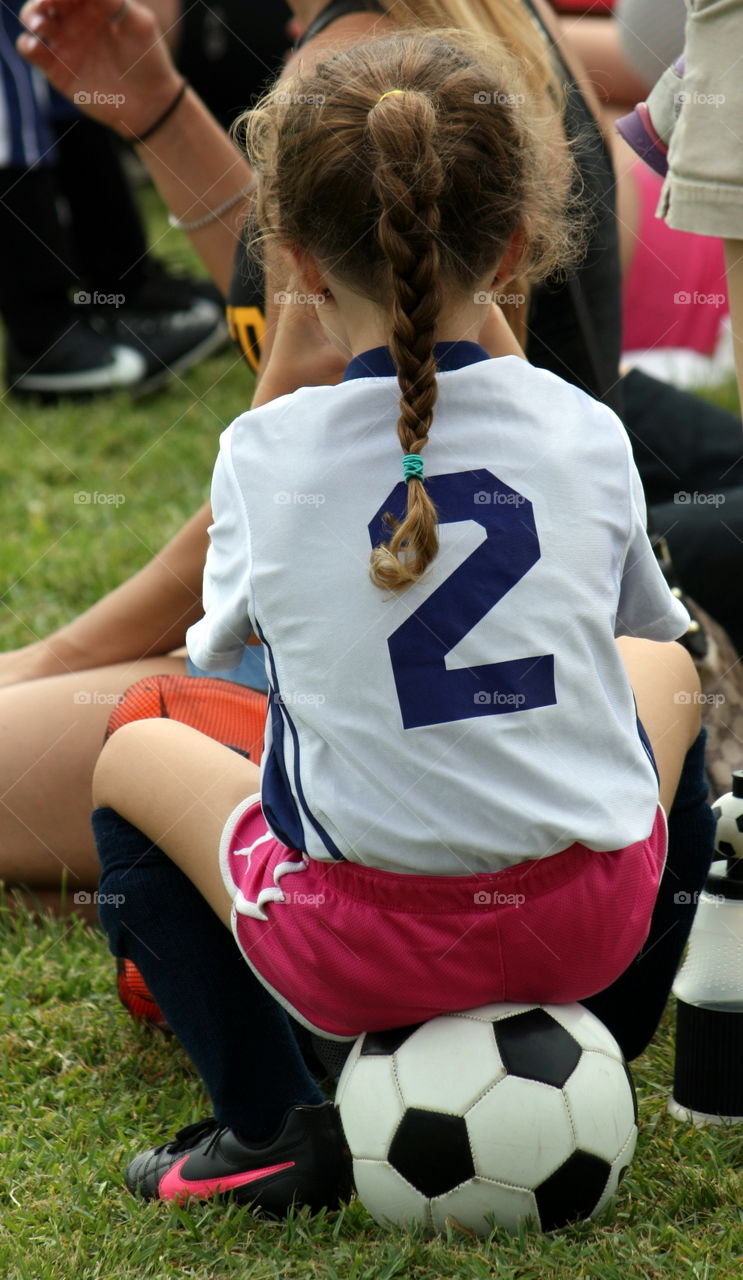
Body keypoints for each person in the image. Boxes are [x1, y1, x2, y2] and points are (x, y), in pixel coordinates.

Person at [88, 28, 705, 1210]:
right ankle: (607, 1034)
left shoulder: (261, 455)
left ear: (296, 267)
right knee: (665, 671)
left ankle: (265, 1125)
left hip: (351, 954)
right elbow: (629, 617)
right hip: (587, 924)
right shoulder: (588, 433)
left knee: (131, 749)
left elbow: (218, 647)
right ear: (518, 245)